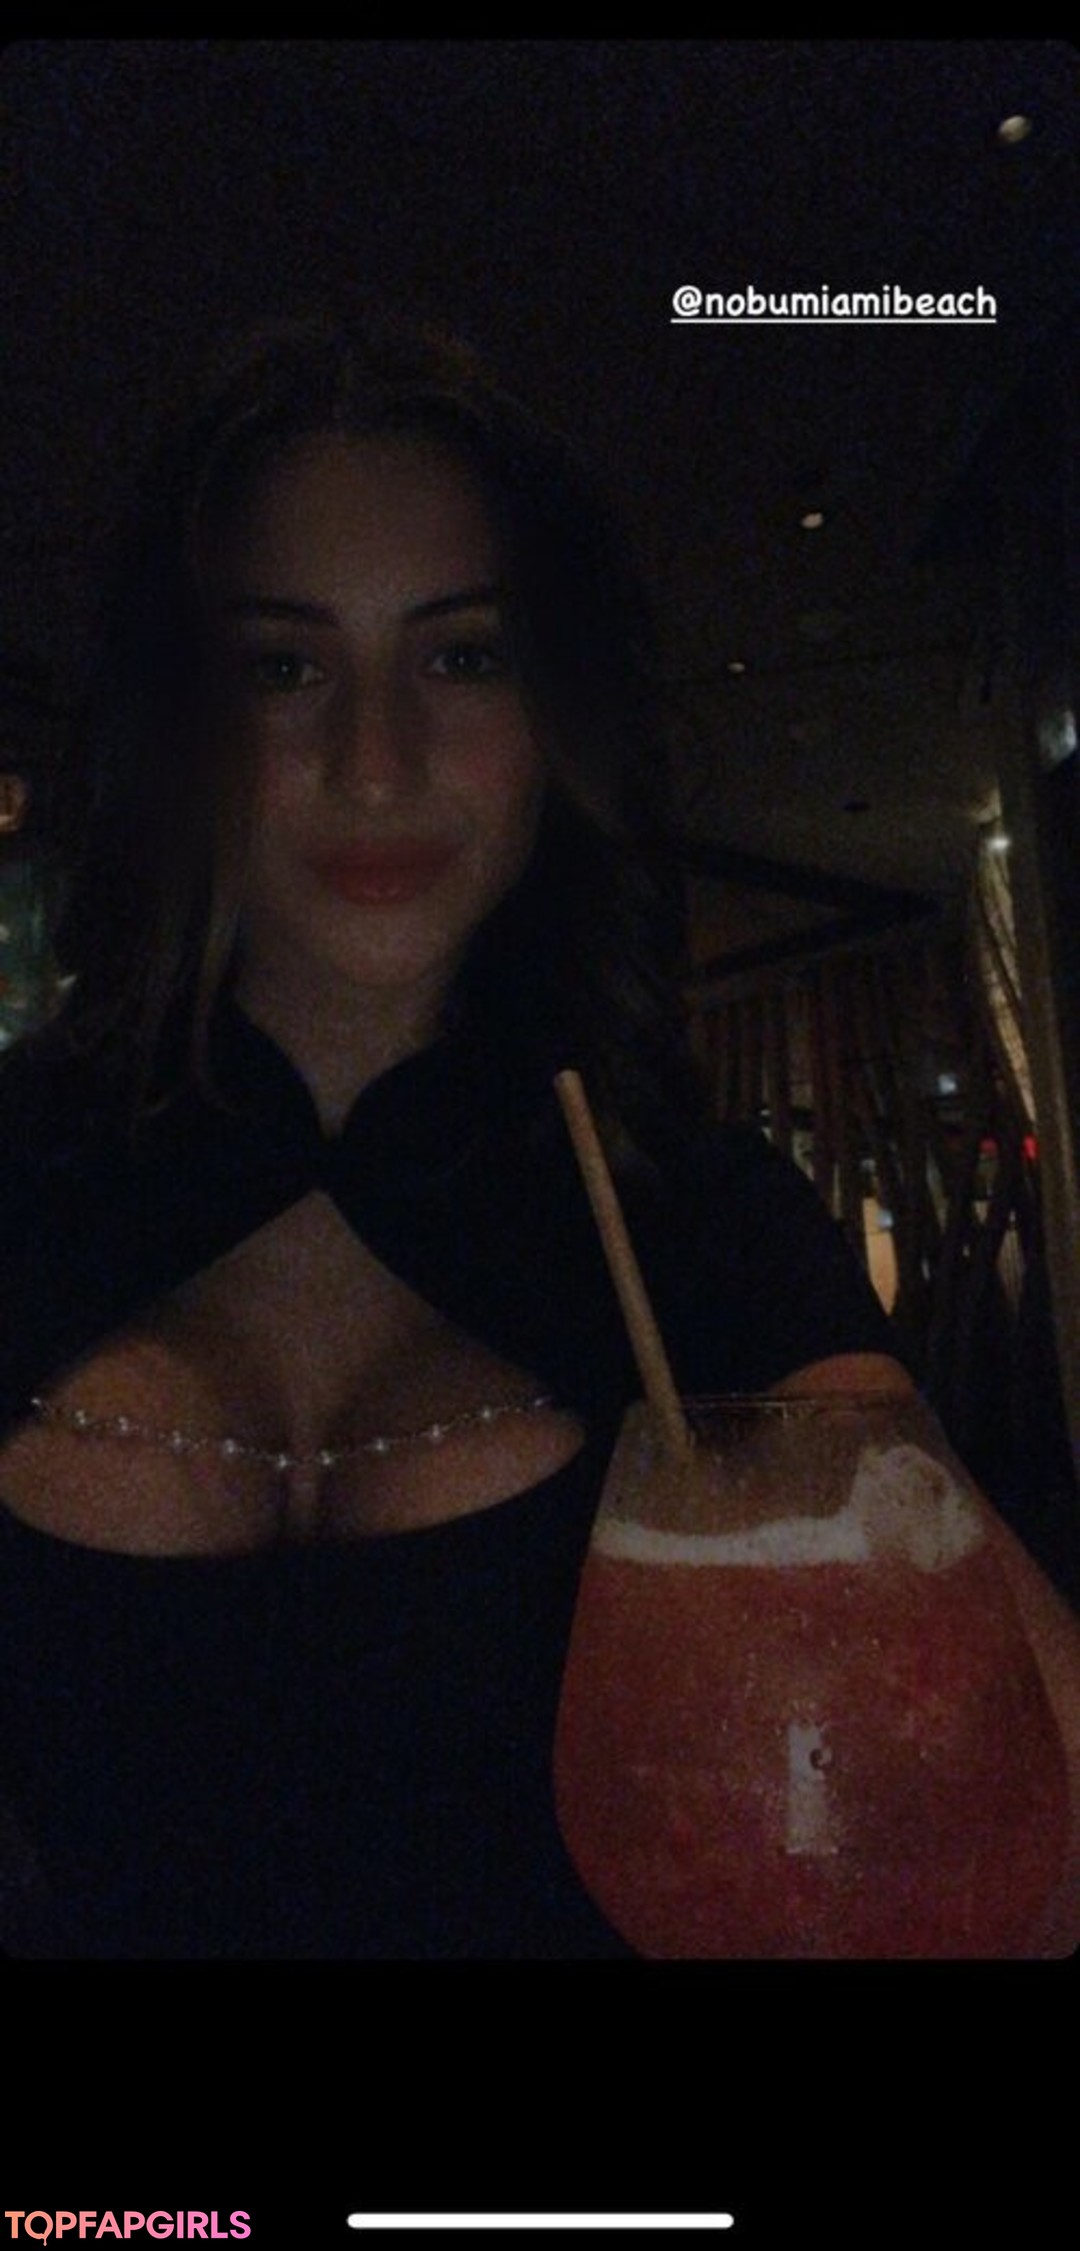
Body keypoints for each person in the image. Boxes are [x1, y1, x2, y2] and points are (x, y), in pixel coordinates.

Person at [0, 313, 1075, 1959]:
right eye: (283, 668)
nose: (376, 764)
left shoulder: (692, 1217)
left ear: (559, 710)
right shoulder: (23, 1172)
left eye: (464, 659)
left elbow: (1039, 1812)